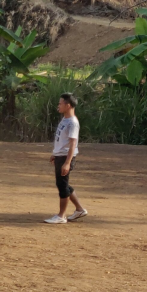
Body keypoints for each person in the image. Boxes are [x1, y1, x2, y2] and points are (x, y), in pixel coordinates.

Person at [44, 93, 87, 224]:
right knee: (64, 184)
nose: (58, 105)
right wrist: (55, 153)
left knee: (62, 185)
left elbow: (73, 143)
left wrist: (67, 163)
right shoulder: (65, 119)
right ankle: (79, 209)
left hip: (65, 157)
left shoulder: (72, 122)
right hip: (60, 155)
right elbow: (62, 140)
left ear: (68, 105)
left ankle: (61, 216)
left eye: (60, 103)